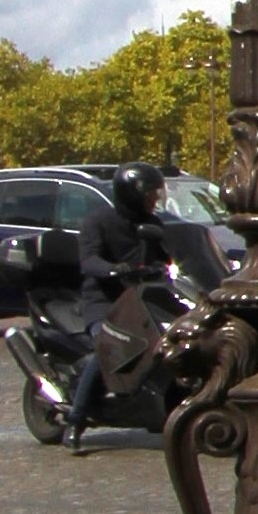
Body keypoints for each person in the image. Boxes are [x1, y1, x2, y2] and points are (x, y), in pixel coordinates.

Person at [62, 161, 169, 453]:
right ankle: (76, 418)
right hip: (106, 304)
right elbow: (89, 260)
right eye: (149, 194)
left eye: (156, 194)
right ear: (132, 194)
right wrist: (115, 269)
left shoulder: (153, 226)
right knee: (109, 350)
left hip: (143, 301)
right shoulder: (98, 221)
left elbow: (169, 257)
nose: (154, 200)